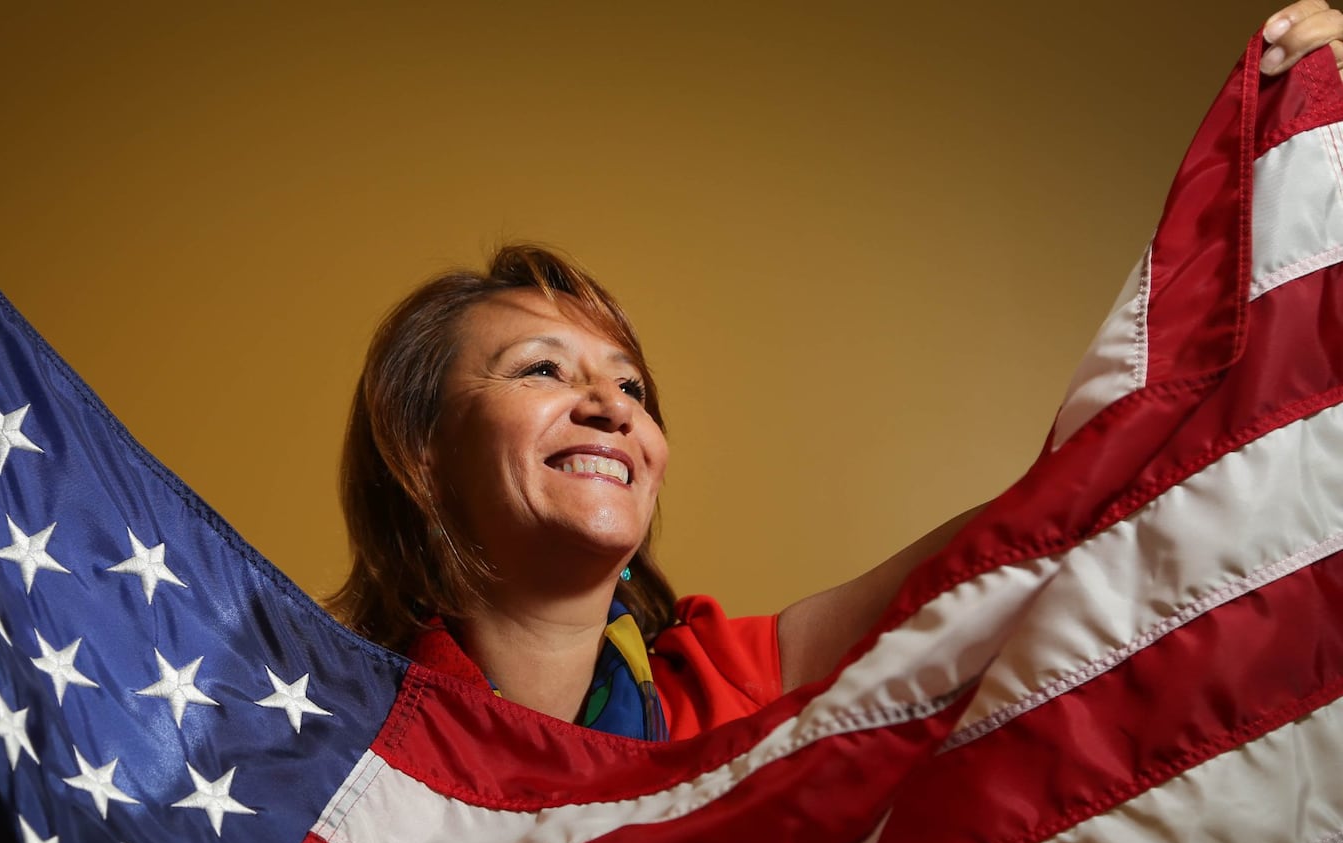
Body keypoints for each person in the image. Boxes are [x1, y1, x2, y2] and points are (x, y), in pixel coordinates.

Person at [329, 1, 1343, 744]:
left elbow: (1045, 523)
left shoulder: (726, 681)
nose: (609, 407)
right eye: (541, 369)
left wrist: (1291, 170)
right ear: (419, 452)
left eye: (632, 389)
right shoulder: (306, 720)